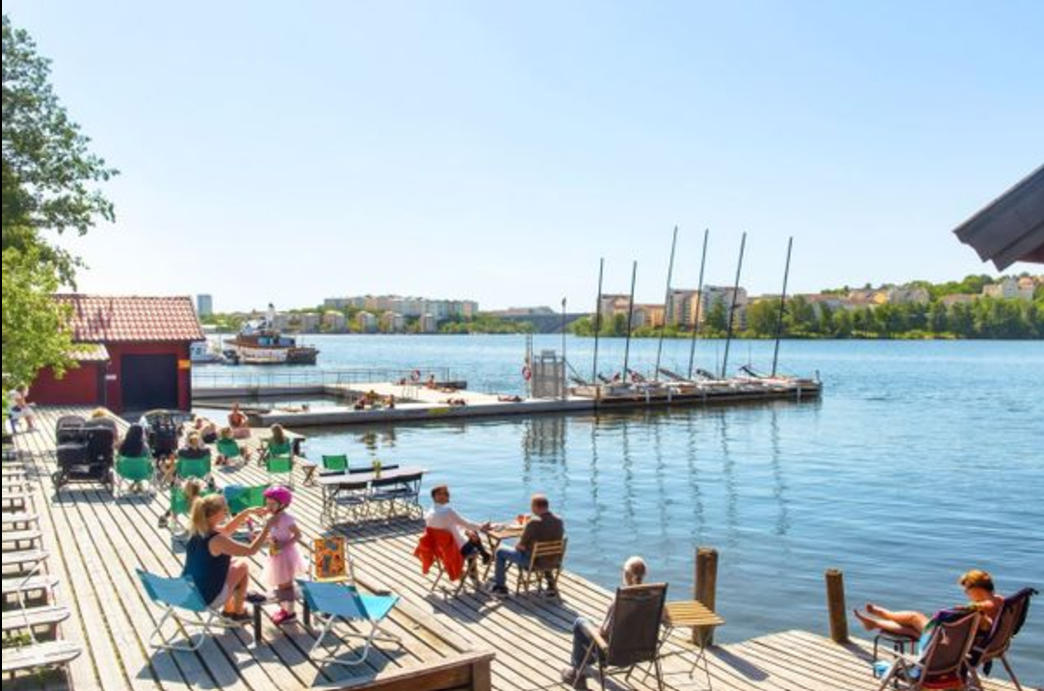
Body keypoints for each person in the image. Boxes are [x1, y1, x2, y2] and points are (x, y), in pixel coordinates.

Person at [182, 494, 274, 622]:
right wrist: (267, 528)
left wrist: (246, 512)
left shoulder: (197, 529)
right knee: (242, 565)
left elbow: (227, 529)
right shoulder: (217, 539)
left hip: (189, 592)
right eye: (224, 509)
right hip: (207, 597)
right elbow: (250, 550)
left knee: (235, 562)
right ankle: (238, 612)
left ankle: (229, 610)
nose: (227, 512)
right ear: (214, 514)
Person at [561, 557, 648, 689]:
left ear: (626, 575)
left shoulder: (621, 599)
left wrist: (595, 629)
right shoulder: (653, 597)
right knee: (590, 632)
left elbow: (604, 631)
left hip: (615, 655)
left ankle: (577, 672)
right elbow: (665, 619)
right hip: (642, 651)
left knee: (581, 623)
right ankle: (584, 664)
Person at [853, 569, 1005, 638]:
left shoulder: (978, 608)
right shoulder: (1001, 600)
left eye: (967, 590)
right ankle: (875, 623)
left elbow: (967, 619)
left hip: (949, 645)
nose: (966, 594)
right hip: (970, 644)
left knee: (914, 617)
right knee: (913, 630)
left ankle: (883, 614)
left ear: (976, 588)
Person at [490, 493, 564, 596]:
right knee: (545, 552)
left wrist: (521, 541)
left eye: (531, 506)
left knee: (500, 551)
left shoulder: (533, 522)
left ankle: (500, 587)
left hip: (533, 563)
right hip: (553, 561)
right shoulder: (559, 521)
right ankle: (551, 585)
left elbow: (519, 546)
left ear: (535, 506)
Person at [260, 486, 306, 625]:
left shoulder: (286, 519)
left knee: (287, 585)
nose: (269, 506)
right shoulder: (271, 517)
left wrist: (283, 545)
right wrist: (270, 539)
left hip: (286, 554)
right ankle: (284, 609)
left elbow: (298, 535)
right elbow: (273, 533)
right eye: (267, 503)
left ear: (283, 504)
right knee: (280, 584)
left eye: (272, 504)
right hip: (276, 554)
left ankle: (291, 613)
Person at [425, 485, 492, 567]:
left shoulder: (429, 513)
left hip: (440, 549)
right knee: (475, 535)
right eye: (445, 493)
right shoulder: (447, 511)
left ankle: (484, 556)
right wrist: (482, 527)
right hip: (456, 550)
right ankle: (484, 557)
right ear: (437, 497)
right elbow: (466, 524)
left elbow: (452, 525)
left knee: (471, 533)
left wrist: (467, 531)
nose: (448, 495)